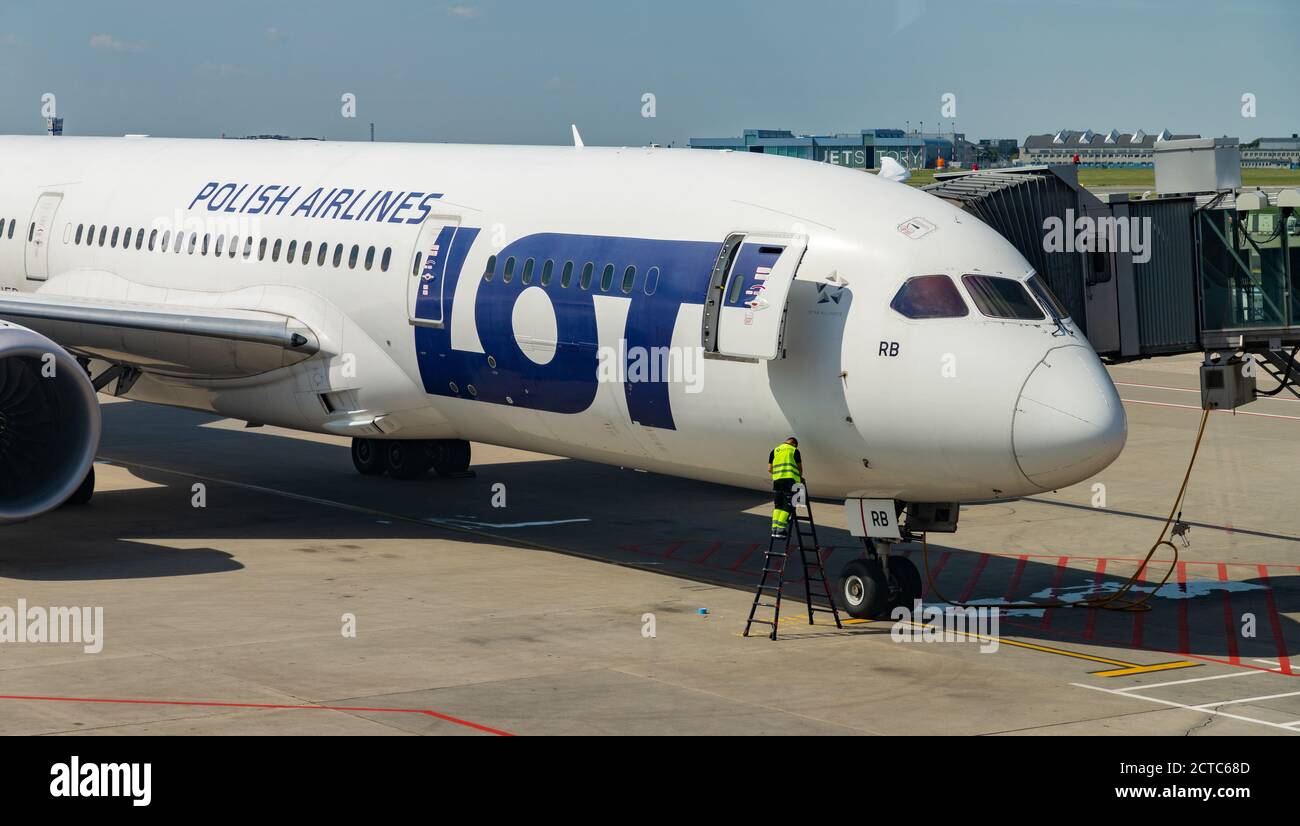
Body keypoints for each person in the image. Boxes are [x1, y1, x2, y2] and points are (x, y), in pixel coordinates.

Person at [767, 437, 803, 539]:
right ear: (794, 444)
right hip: (789, 482)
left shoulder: (774, 450)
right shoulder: (794, 450)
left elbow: (769, 469)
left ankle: (774, 529)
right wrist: (799, 478)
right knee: (788, 505)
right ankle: (781, 529)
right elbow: (800, 468)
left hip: (777, 481)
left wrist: (780, 473)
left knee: (778, 505)